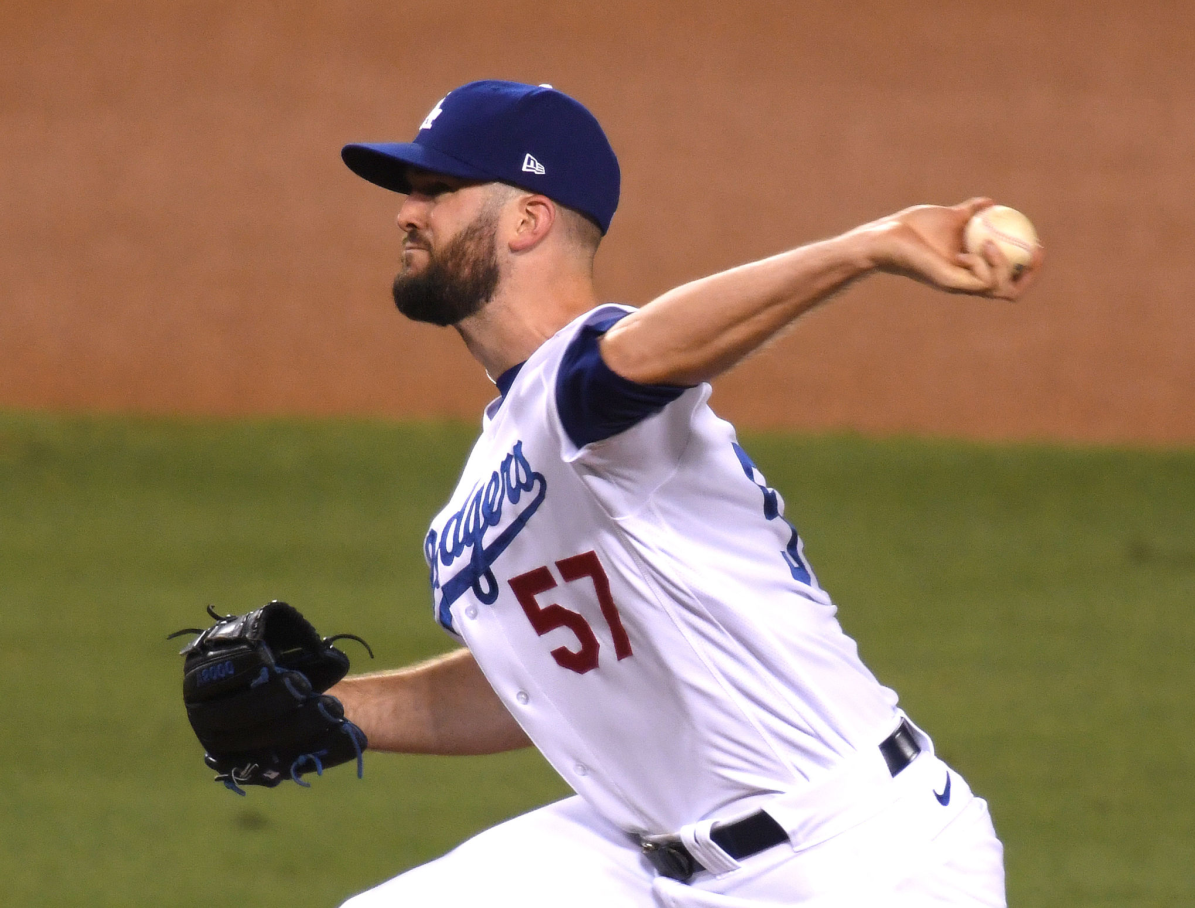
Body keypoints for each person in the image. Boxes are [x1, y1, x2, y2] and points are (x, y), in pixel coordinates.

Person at [330, 79, 1041, 908]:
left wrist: (865, 248)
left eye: (436, 191)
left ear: (528, 219)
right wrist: (335, 709)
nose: (406, 213)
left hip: (860, 858)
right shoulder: (489, 479)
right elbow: (548, 679)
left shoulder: (594, 388)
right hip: (652, 860)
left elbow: (630, 361)